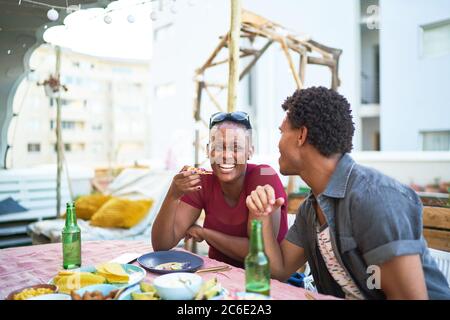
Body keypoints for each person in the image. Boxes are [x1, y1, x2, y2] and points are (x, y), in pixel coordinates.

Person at [246, 87, 450, 299]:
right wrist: (261, 217)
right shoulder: (311, 209)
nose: (278, 143)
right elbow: (278, 269)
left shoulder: (375, 199)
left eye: (282, 132)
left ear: (301, 135)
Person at [152, 111, 288, 267]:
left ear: (250, 151)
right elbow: (161, 245)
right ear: (208, 151)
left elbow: (258, 251)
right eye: (218, 147)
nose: (226, 155)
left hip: (262, 281)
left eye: (236, 148)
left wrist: (205, 233)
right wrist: (173, 196)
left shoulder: (265, 174)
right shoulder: (203, 180)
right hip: (218, 278)